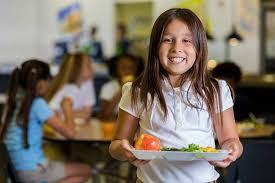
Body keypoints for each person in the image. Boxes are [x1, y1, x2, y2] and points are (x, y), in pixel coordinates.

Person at [109, 8, 243, 183]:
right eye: (167, 40)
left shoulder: (216, 90)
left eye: (186, 40)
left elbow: (231, 140)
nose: (176, 48)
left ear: (199, 48)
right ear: (155, 46)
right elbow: (116, 144)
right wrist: (125, 151)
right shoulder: (137, 90)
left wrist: (232, 150)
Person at [0, 60, 91, 183]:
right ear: (42, 82)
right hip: (33, 169)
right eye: (49, 80)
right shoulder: (37, 104)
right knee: (86, 170)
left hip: (12, 169)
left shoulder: (12, 102)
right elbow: (70, 134)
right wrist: (67, 108)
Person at [46, 52, 96, 123]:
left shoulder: (87, 83)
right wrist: (77, 113)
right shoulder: (64, 88)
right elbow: (52, 115)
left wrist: (66, 113)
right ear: (77, 69)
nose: (92, 68)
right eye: (88, 65)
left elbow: (87, 114)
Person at [98, 53, 144, 120]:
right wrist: (121, 91)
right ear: (116, 69)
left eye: (131, 68)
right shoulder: (108, 87)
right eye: (123, 67)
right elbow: (104, 115)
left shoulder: (141, 87)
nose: (128, 71)